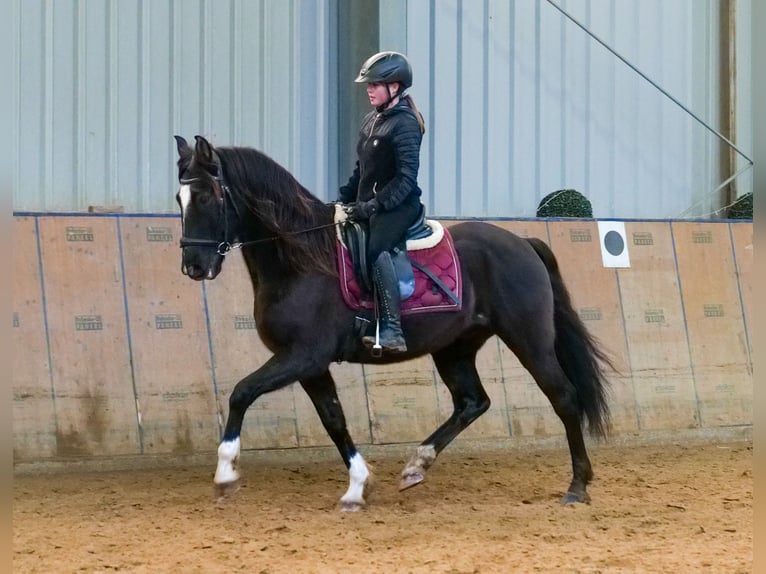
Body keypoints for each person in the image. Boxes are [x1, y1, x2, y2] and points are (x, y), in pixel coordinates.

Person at [338, 51, 426, 354]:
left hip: (399, 206)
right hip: (369, 204)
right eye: (369, 84)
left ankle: (392, 329)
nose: (369, 89)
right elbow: (361, 170)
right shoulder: (371, 120)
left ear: (396, 86)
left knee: (375, 249)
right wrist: (343, 198)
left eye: (375, 84)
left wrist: (374, 205)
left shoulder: (405, 124)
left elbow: (406, 179)